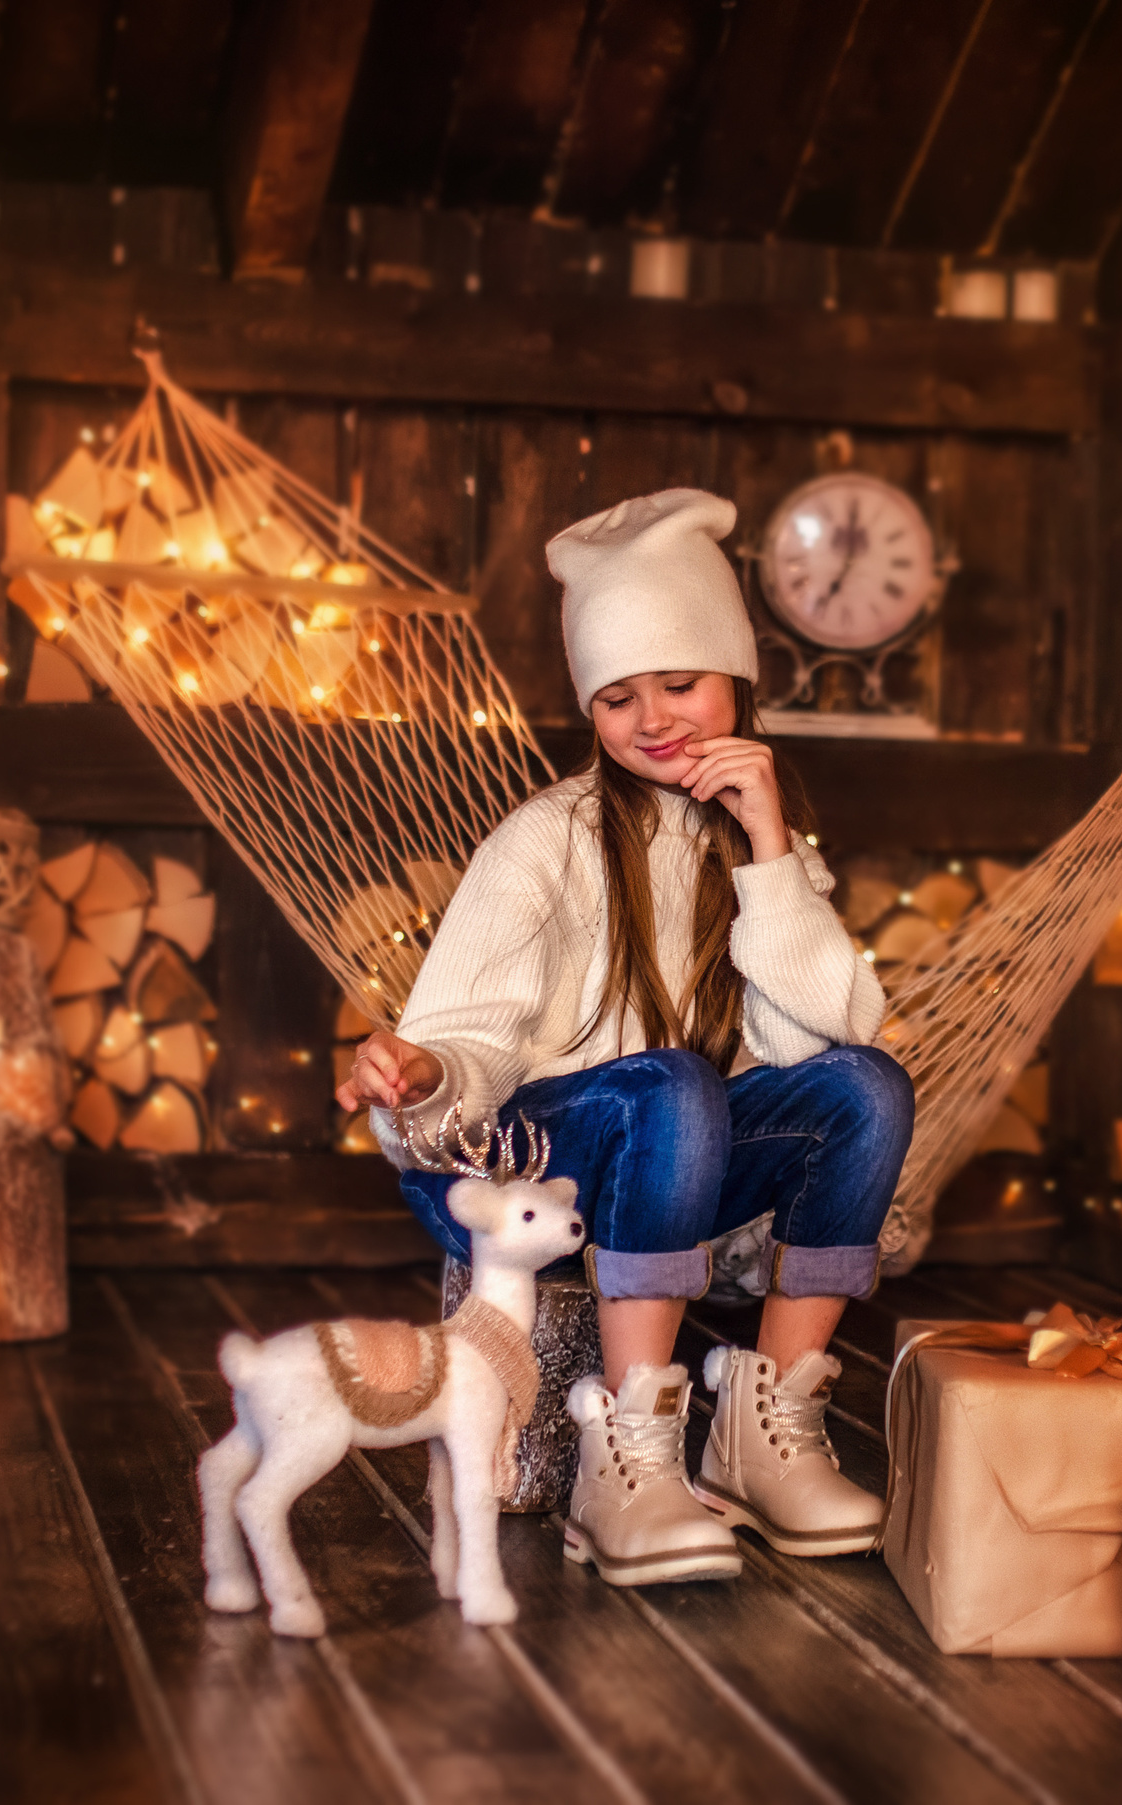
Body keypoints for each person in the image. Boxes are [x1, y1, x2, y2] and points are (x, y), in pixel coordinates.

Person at [334, 488, 910, 1587]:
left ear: (740, 678)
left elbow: (823, 1043)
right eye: (616, 697)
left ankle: (765, 1429)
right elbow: (473, 1046)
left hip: (668, 1150)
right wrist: (420, 1074)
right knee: (673, 1083)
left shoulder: (762, 848)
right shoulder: (541, 840)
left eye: (680, 682)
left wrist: (768, 848)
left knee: (869, 1088)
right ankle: (625, 1456)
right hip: (509, 1157)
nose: (654, 718)